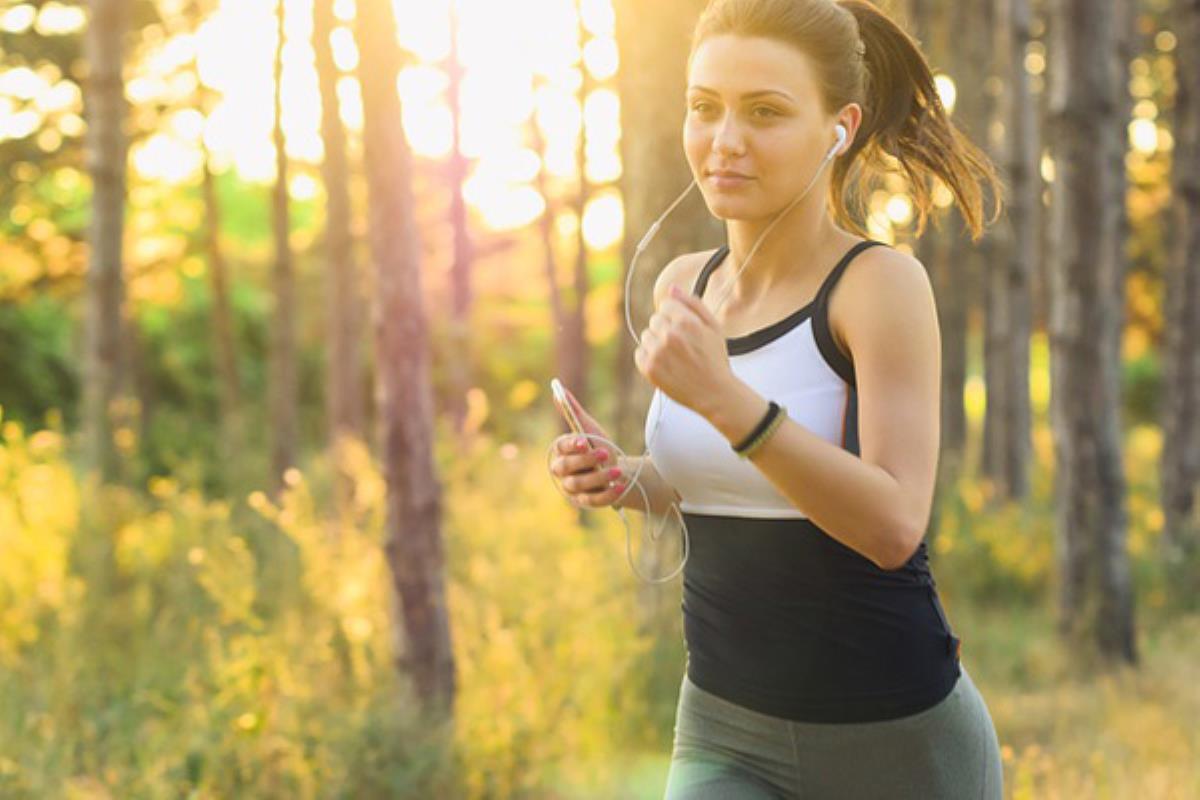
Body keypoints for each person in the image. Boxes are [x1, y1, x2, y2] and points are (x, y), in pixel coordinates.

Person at [548, 0, 1005, 796]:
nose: (725, 141)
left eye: (765, 112)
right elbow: (729, 482)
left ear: (840, 126)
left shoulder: (876, 286)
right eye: (704, 108)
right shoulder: (682, 284)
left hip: (897, 742)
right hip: (725, 729)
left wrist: (728, 402)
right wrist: (626, 478)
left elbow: (894, 525)